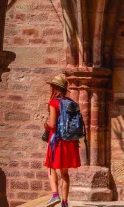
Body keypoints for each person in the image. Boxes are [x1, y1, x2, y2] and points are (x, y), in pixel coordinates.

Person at [43, 75, 81, 207]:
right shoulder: (71, 103)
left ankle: (55, 195)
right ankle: (64, 202)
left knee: (50, 167)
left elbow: (52, 124)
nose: (51, 90)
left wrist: (45, 124)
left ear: (57, 89)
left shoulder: (54, 103)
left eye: (52, 87)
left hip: (57, 141)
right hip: (70, 141)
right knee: (65, 172)